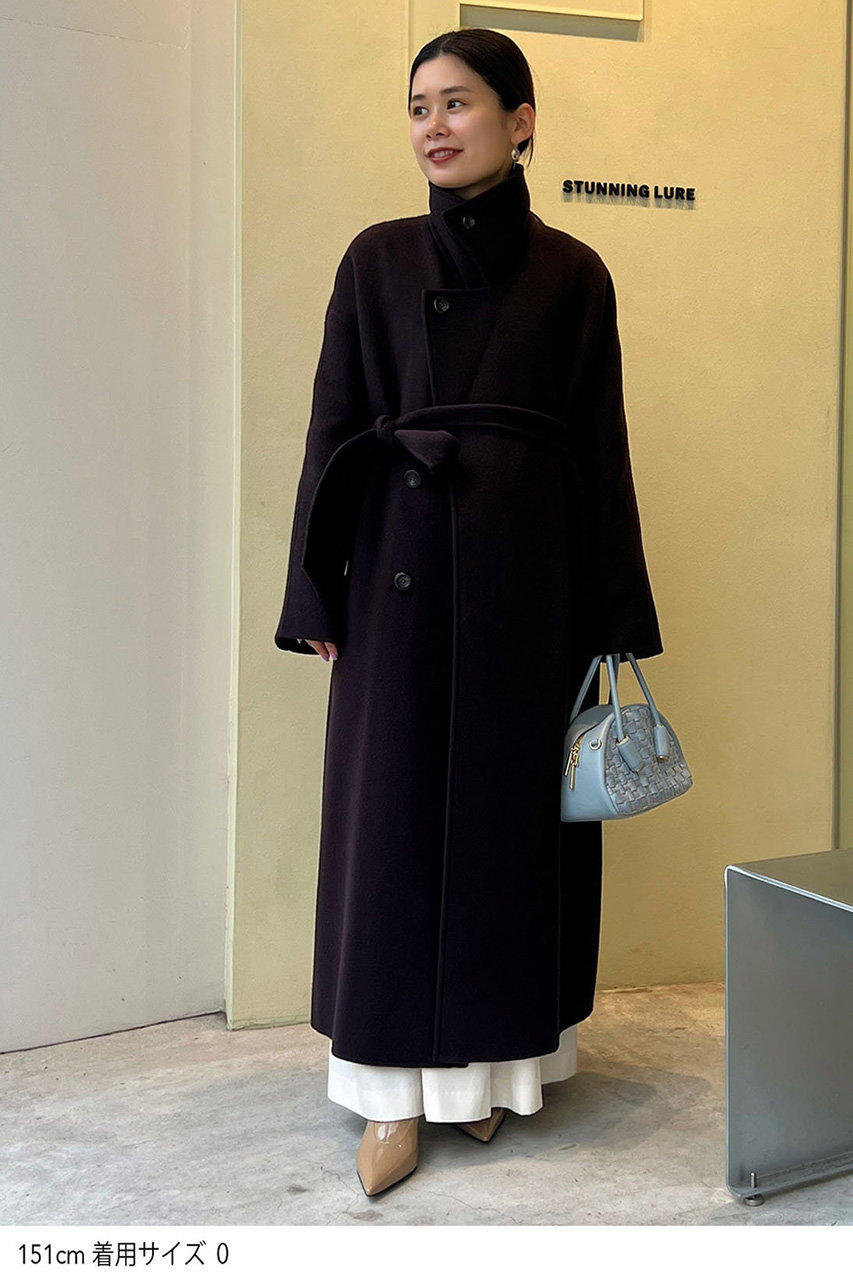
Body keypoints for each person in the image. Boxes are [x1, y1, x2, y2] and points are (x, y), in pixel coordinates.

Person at [273, 28, 663, 1197]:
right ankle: (389, 1095)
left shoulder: (574, 272)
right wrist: (315, 587)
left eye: (456, 102)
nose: (432, 126)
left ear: (519, 119)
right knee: (390, 824)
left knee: (509, 831)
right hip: (395, 576)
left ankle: (495, 1075)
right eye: (417, 107)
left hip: (526, 588)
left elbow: (599, 448)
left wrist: (612, 612)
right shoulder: (376, 258)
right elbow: (332, 421)